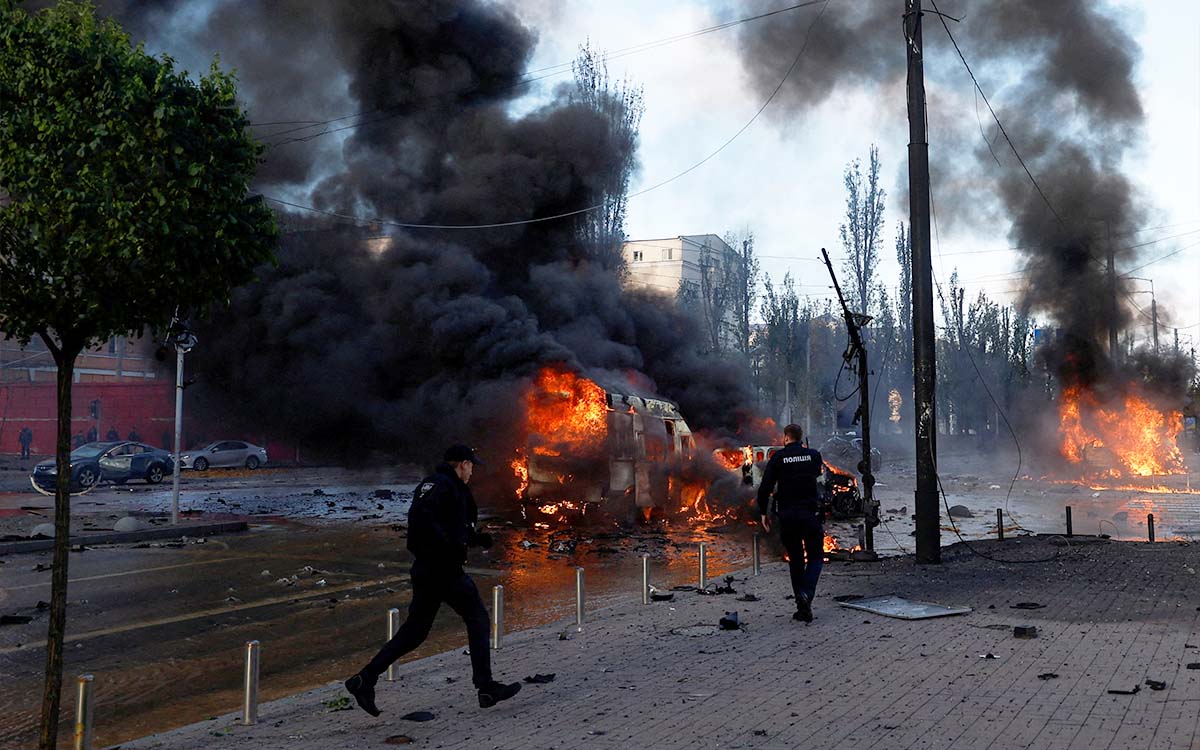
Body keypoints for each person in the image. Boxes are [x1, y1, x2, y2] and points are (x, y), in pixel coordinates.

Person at [344, 445, 520, 715]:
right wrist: (446, 548)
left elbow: (451, 525)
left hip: (431, 568)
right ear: (461, 464)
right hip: (442, 568)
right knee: (478, 619)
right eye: (471, 465)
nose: (473, 470)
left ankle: (365, 679)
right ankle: (486, 687)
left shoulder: (448, 486)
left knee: (415, 631)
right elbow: (422, 519)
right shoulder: (440, 484)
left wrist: (476, 540)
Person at [757, 424, 825, 624]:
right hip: (809, 515)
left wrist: (763, 512)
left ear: (786, 438)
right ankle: (806, 594)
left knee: (796, 560)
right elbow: (818, 477)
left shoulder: (778, 458)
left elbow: (765, 488)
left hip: (787, 517)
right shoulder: (813, 455)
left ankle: (802, 607)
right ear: (800, 437)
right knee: (816, 557)